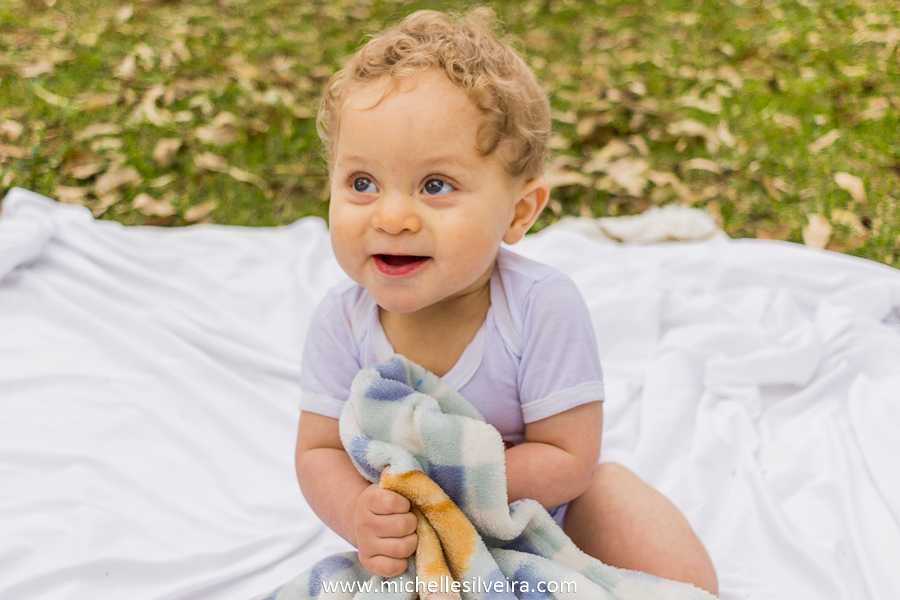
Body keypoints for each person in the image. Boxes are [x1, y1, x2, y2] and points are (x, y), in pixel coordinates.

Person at [294, 8, 718, 595]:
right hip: (419, 538)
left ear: (518, 213)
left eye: (435, 186)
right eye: (362, 183)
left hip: (547, 513)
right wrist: (360, 514)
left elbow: (568, 456)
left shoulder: (540, 307)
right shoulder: (343, 321)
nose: (391, 217)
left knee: (629, 514)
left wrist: (448, 487)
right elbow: (318, 451)